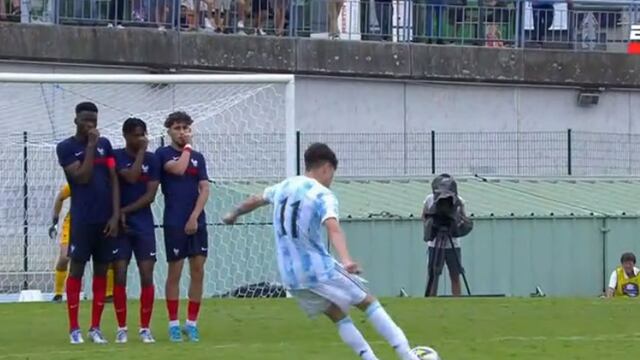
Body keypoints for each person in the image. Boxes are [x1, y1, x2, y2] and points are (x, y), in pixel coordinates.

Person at [222, 143, 423, 360]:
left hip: (290, 275)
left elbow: (256, 199)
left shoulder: (284, 186)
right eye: (332, 175)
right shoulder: (322, 194)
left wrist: (234, 213)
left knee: (337, 314)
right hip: (318, 269)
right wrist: (346, 260)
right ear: (326, 168)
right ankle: (407, 355)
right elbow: (332, 226)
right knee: (368, 301)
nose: (331, 181)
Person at [55, 102, 120, 344]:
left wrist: (115, 215)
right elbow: (81, 177)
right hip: (82, 220)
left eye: (94, 120)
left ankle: (95, 327)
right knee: (78, 269)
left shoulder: (106, 145)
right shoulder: (66, 148)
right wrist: (91, 146)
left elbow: (113, 180)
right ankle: (74, 328)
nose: (90, 125)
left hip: (105, 220)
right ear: (76, 121)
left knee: (102, 271)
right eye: (85, 120)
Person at [156, 111, 210, 342]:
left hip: (196, 221)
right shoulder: (163, 153)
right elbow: (177, 170)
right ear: (169, 130)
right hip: (174, 221)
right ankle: (173, 324)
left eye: (185, 128)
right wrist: (187, 148)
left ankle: (192, 323)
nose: (182, 132)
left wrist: (195, 217)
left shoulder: (199, 157)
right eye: (177, 128)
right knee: (175, 272)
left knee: (198, 271)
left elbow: (205, 188)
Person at [111, 118, 161, 343]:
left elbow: (150, 195)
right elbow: (130, 177)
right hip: (120, 226)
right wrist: (119, 214)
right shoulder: (118, 156)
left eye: (143, 134)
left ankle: (145, 328)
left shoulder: (153, 159)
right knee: (120, 274)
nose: (141, 139)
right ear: (126, 136)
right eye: (136, 135)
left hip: (142, 224)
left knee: (146, 274)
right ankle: (121, 328)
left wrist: (125, 210)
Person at [48, 184, 115, 303]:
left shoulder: (105, 181)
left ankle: (109, 294)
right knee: (64, 257)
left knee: (107, 258)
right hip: (74, 224)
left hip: (98, 223)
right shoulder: (76, 181)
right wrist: (54, 221)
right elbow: (60, 197)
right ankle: (58, 293)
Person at [423, 174, 465, 297]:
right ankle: (431, 299)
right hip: (435, 243)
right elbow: (424, 216)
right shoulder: (430, 199)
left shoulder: (458, 200)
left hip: (453, 244)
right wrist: (431, 226)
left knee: (455, 274)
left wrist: (456, 222)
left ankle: (457, 299)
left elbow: (462, 219)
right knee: (433, 274)